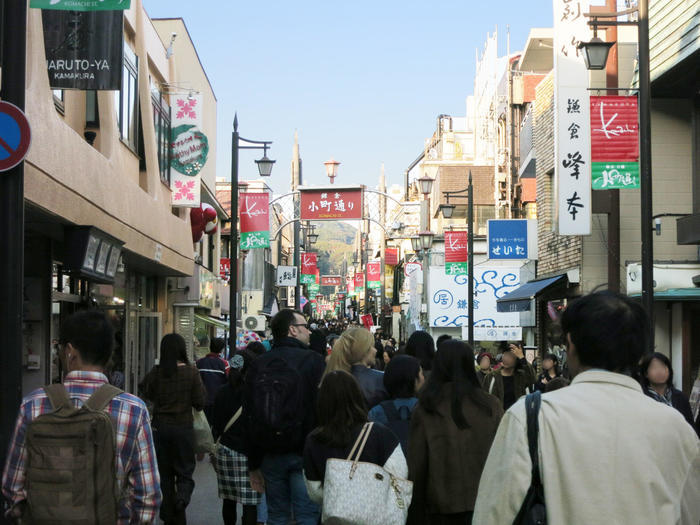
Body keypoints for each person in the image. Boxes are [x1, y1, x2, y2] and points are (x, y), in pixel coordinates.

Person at [473, 291, 700, 524]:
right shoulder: (677, 428)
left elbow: (493, 515)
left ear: (570, 344)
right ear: (641, 354)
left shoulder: (531, 417)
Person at [1, 310, 162, 524]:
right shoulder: (133, 409)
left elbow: (12, 486)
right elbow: (147, 496)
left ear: (69, 351)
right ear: (108, 353)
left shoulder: (33, 404)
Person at [243, 309, 325, 525]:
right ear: (292, 330)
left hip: (269, 452)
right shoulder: (314, 361)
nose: (309, 331)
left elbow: (250, 414)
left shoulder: (259, 364)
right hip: (305, 453)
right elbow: (322, 409)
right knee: (306, 515)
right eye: (305, 326)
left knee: (277, 515)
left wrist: (253, 464)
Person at [407, 339, 503, 525]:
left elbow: (417, 466)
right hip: (485, 503)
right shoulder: (490, 406)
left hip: (440, 507)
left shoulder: (427, 407)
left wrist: (414, 512)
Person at [303, 370, 407, 505]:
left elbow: (314, 491)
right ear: (357, 396)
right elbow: (400, 475)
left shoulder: (314, 439)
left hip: (335, 515)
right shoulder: (380, 434)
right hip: (376, 512)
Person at [140, 333, 206, 525]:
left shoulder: (157, 371)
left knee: (164, 474)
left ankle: (169, 513)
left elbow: (145, 390)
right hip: (183, 428)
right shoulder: (192, 372)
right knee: (185, 471)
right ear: (181, 350)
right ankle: (182, 498)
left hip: (160, 429)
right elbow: (200, 402)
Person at [212, 350, 260, 525]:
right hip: (248, 453)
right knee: (250, 502)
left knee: (228, 499)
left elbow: (216, 423)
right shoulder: (253, 393)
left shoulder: (221, 392)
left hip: (225, 451)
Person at [369, 355, 424, 453]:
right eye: (421, 374)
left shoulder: (376, 412)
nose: (423, 378)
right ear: (414, 379)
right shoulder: (427, 410)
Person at [324, 326, 389, 408]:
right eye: (372, 346)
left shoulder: (331, 378)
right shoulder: (381, 379)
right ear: (364, 350)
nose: (375, 350)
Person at [639, 352, 696, 431]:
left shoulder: (681, 397)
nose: (659, 371)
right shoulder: (641, 397)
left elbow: (691, 427)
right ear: (646, 374)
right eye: (654, 368)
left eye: (663, 367)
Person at [486, 342, 535, 410]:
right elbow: (484, 398)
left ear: (517, 360)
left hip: (517, 415)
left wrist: (522, 358)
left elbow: (532, 379)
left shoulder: (521, 376)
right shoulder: (491, 376)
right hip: (497, 417)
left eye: (511, 356)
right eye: (505, 355)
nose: (506, 358)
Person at [196, 336, 230, 425]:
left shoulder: (199, 362)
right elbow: (228, 380)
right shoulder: (224, 364)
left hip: (202, 401)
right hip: (217, 401)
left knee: (204, 425)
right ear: (222, 350)